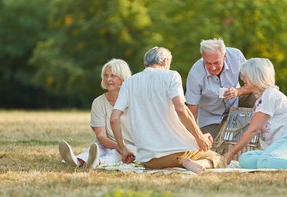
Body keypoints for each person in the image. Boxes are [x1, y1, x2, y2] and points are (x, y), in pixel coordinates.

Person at [110, 46, 227, 174]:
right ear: (165, 61)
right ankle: (192, 164)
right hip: (177, 154)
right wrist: (199, 138)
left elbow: (114, 119)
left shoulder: (129, 82)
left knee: (174, 158)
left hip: (149, 161)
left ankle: (179, 165)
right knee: (218, 158)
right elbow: (181, 109)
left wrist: (123, 149)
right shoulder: (171, 76)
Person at [58, 58, 136, 169]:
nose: (108, 79)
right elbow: (101, 136)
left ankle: (97, 162)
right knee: (96, 149)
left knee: (114, 154)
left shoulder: (134, 100)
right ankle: (77, 161)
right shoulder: (98, 102)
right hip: (106, 143)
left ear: (123, 78)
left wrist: (123, 148)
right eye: (106, 75)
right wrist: (119, 146)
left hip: (130, 145)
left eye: (113, 76)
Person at [185, 38, 257, 142]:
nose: (213, 68)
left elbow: (255, 83)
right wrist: (191, 138)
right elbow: (192, 111)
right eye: (208, 63)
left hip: (236, 104)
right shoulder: (195, 73)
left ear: (225, 56)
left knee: (256, 95)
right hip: (210, 117)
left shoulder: (236, 56)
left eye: (216, 63)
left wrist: (238, 91)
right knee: (212, 146)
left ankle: (262, 131)